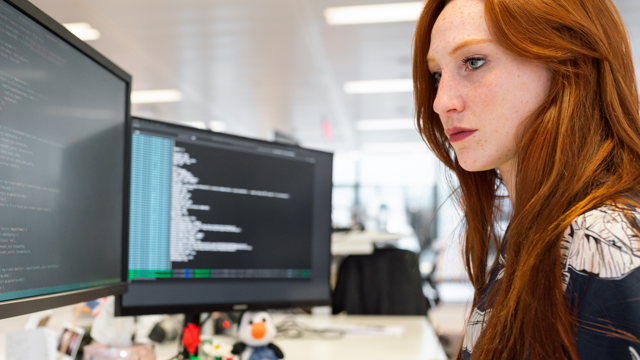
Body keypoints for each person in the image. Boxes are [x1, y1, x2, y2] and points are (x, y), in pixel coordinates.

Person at [412, 0, 640, 359]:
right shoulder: (536, 230)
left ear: (568, 61)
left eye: (473, 62)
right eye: (437, 74)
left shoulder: (604, 237)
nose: (441, 102)